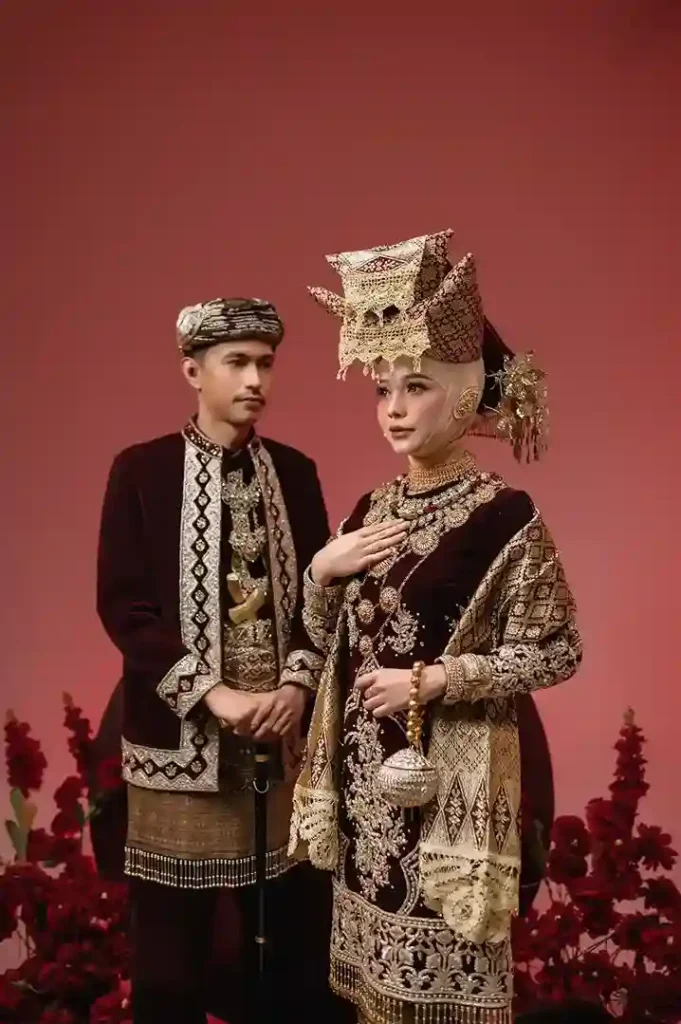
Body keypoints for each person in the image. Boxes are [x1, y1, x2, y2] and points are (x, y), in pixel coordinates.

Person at [288, 231, 583, 1024]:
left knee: (440, 995)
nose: (392, 408)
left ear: (459, 394)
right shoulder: (370, 508)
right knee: (371, 998)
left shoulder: (503, 516)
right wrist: (321, 571)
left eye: (414, 387)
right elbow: (324, 640)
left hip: (446, 789)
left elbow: (558, 650)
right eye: (381, 389)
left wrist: (434, 679)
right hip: (365, 790)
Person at [97, 297, 350, 1024]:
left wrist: (297, 688)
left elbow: (320, 597)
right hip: (181, 747)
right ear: (192, 371)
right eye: (236, 363)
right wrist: (213, 694)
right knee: (172, 959)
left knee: (293, 951)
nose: (254, 380)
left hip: (283, 742)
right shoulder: (141, 471)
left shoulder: (294, 472)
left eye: (265, 363)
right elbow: (124, 608)